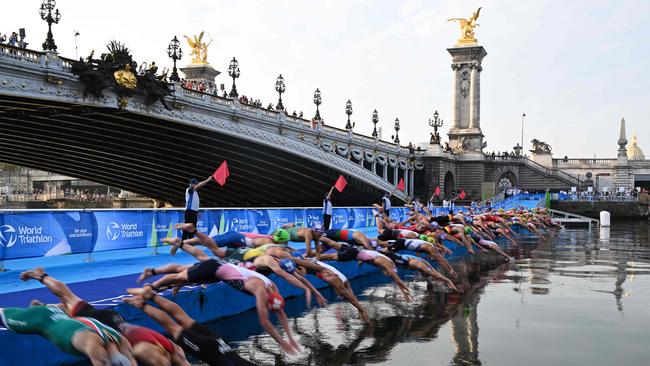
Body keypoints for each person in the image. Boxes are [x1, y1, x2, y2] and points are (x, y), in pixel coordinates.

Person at [19, 267, 187, 366]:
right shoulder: (155, 354)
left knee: (70, 303)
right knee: (69, 301)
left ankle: (44, 305)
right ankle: (41, 275)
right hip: (111, 328)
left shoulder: (173, 349)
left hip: (118, 322)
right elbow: (133, 353)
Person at [137, 257, 300, 354]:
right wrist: (281, 342)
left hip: (221, 271)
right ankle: (151, 287)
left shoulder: (273, 287)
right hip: (214, 270)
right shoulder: (260, 289)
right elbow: (264, 321)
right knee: (178, 276)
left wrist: (291, 338)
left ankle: (153, 272)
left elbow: (281, 314)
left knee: (183, 271)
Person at [124, 286, 254, 366]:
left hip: (221, 343)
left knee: (184, 318)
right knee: (173, 328)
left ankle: (151, 296)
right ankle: (140, 304)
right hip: (209, 350)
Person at [0, 305, 135, 366]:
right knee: (4, 316)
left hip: (60, 315)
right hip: (42, 318)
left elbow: (130, 362)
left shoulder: (120, 340)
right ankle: (39, 306)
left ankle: (40, 305)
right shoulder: (95, 344)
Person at [183, 176, 212, 241]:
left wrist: (197, 212)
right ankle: (183, 243)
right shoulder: (189, 190)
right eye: (195, 184)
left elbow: (195, 203)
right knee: (186, 228)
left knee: (192, 229)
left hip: (193, 213)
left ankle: (190, 242)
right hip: (189, 212)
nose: (196, 185)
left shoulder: (195, 193)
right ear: (191, 184)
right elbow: (199, 186)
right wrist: (207, 180)